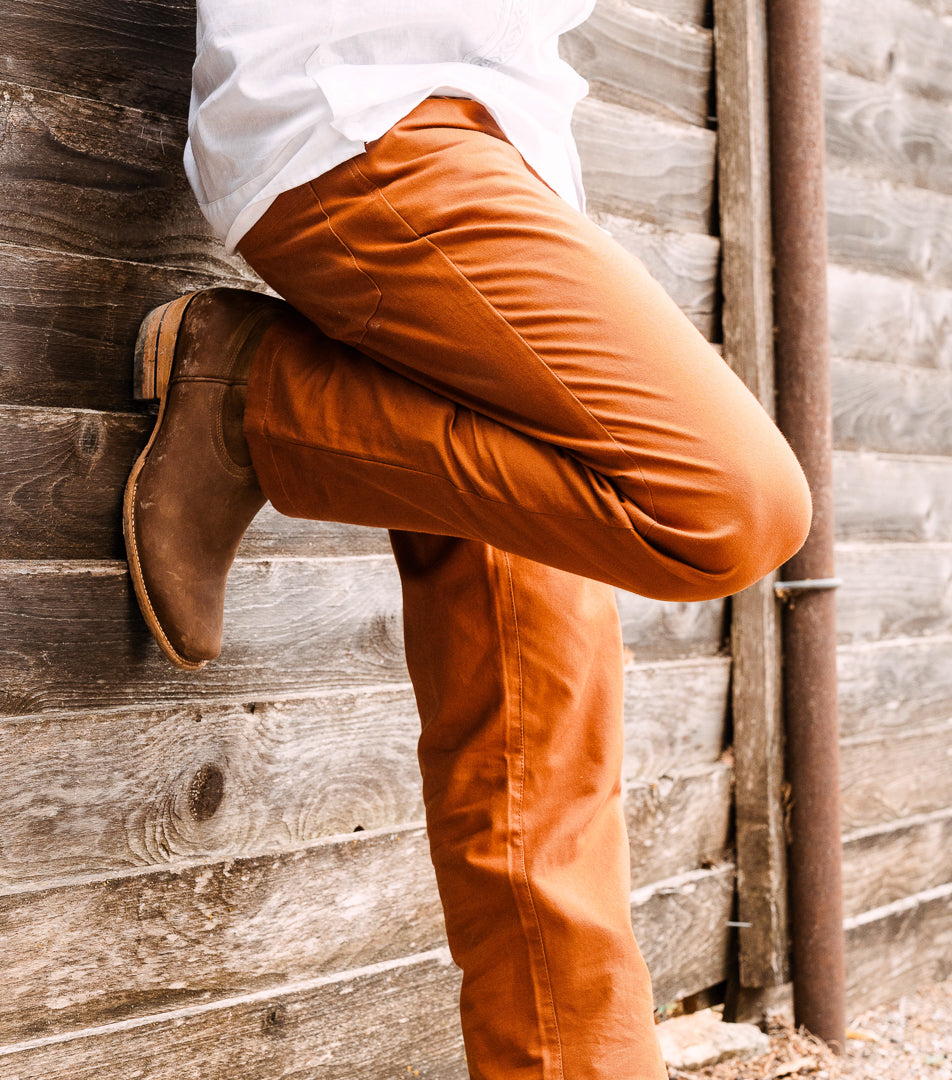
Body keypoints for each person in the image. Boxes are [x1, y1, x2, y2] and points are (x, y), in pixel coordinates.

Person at [122, 2, 813, 1076]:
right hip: (366, 119)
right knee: (726, 505)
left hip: (510, 147)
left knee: (539, 769)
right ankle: (257, 404)